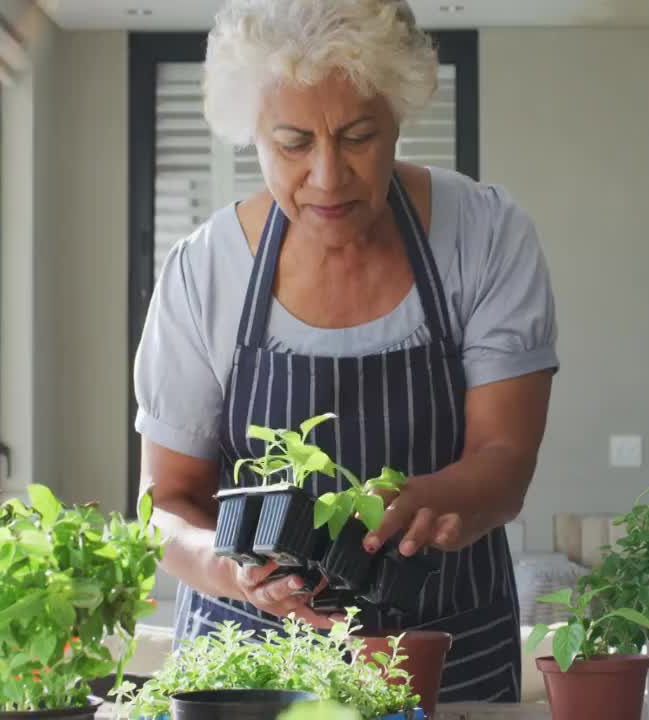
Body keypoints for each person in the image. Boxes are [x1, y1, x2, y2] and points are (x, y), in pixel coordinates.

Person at [134, 0, 557, 703]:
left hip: (443, 650)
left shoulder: (483, 237)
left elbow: (505, 462)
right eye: (294, 143)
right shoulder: (206, 270)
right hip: (248, 667)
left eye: (359, 137)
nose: (328, 177)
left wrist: (435, 501)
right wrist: (228, 567)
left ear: (398, 116)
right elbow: (167, 504)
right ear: (254, 135)